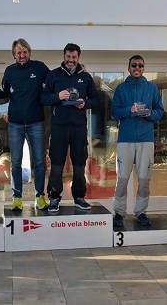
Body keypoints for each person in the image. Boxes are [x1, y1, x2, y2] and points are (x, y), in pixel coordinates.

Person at [0, 39, 49, 211]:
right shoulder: (10, 71)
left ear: (29, 52)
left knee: (39, 162)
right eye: (18, 53)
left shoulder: (40, 68)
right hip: (15, 124)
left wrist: (77, 73)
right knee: (15, 162)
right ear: (14, 55)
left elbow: (55, 81)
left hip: (36, 122)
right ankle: (17, 198)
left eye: (24, 52)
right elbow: (3, 92)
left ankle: (40, 197)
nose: (22, 55)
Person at [41, 43, 99, 212]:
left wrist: (85, 103)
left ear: (78, 58)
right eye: (68, 57)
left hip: (79, 127)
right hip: (59, 127)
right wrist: (57, 96)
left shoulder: (86, 77)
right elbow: (43, 99)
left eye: (74, 57)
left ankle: (79, 197)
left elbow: (96, 100)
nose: (71, 60)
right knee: (57, 164)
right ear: (64, 56)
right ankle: (53, 198)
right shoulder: (54, 75)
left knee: (80, 164)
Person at [111, 55, 164, 227]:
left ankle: (141, 212)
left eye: (140, 65)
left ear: (143, 68)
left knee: (144, 179)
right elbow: (114, 112)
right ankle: (119, 212)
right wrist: (130, 109)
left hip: (145, 140)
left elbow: (160, 111)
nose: (137, 67)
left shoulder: (151, 88)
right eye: (134, 65)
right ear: (129, 67)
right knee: (122, 179)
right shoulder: (121, 88)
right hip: (125, 140)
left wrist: (149, 114)